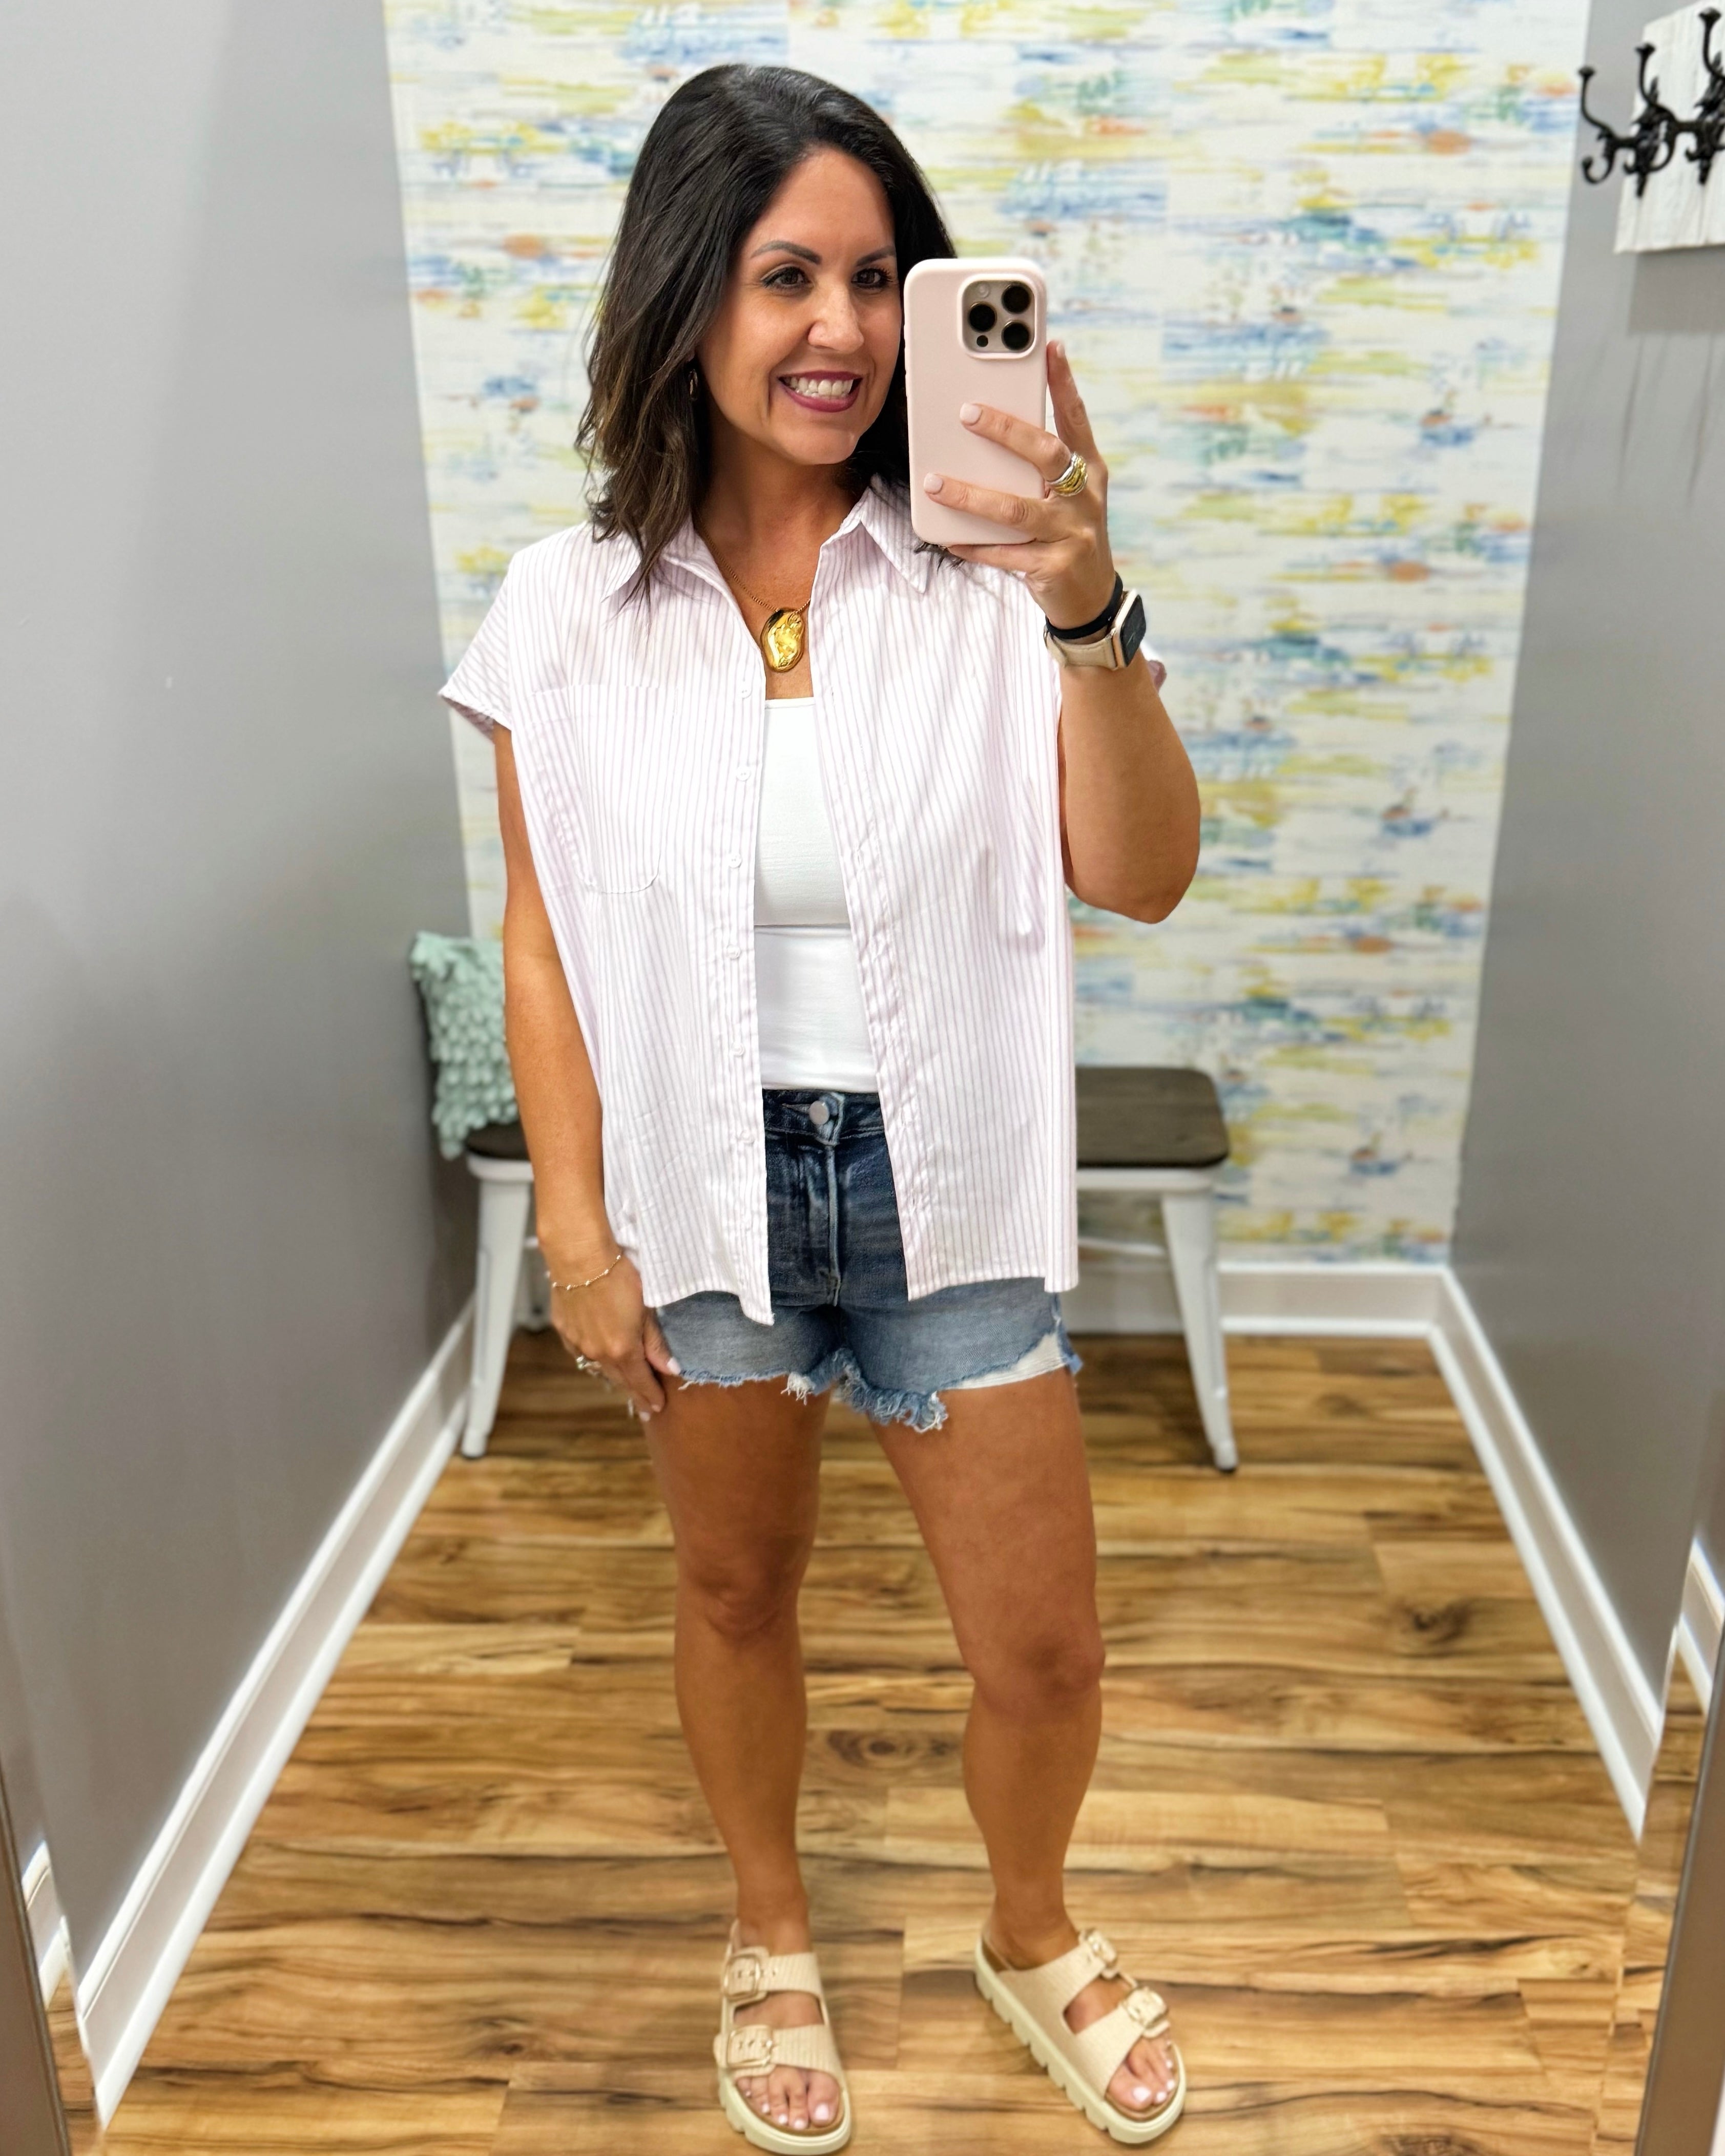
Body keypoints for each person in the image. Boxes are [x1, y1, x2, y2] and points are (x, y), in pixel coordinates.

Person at [441, 61, 1201, 2153]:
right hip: (707, 1193)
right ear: (685, 298)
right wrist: (576, 1231)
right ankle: (769, 1928)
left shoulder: (984, 585)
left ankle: (1025, 1925)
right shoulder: (562, 618)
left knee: (1038, 1652)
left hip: (940, 1185)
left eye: (880, 277)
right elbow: (542, 946)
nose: (848, 331)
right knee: (729, 1597)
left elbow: (1135, 874)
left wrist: (1087, 610)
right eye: (788, 276)